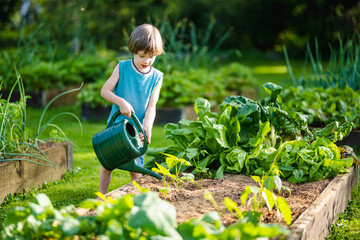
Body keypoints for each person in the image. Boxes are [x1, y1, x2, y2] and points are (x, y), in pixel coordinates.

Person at [99, 23, 165, 194]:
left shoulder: (157, 77)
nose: (147, 61)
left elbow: (151, 106)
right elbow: (105, 91)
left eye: (152, 56)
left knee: (136, 169)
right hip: (117, 125)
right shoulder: (122, 68)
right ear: (133, 50)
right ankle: (102, 197)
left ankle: (138, 201)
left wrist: (148, 126)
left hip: (137, 130)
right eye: (142, 56)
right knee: (108, 165)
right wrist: (121, 102)